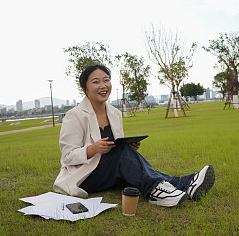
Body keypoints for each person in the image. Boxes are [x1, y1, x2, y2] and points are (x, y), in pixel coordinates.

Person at [53, 64, 215, 207]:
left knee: (131, 158)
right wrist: (92, 149)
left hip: (110, 172)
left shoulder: (115, 113)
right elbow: (67, 157)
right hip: (84, 177)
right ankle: (156, 193)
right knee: (123, 155)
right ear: (84, 89)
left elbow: (117, 148)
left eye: (106, 80)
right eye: (95, 82)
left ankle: (188, 184)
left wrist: (129, 146)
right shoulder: (75, 115)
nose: (103, 85)